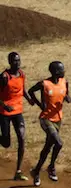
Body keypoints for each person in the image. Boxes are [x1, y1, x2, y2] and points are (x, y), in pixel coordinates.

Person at [27, 61, 71, 186]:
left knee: (48, 147)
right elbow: (30, 91)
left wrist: (67, 97)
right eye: (62, 70)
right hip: (46, 119)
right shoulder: (44, 84)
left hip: (58, 119)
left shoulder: (64, 82)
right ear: (56, 71)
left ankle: (36, 171)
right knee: (58, 143)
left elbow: (66, 93)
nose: (64, 71)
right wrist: (40, 104)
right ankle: (51, 167)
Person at [1, 52, 31, 181]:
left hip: (17, 112)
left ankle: (18, 171)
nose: (17, 63)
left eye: (18, 60)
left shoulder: (22, 74)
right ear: (9, 62)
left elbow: (22, 89)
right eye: (14, 61)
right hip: (4, 113)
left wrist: (29, 99)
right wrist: (4, 105)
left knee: (22, 138)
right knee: (6, 143)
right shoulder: (4, 76)